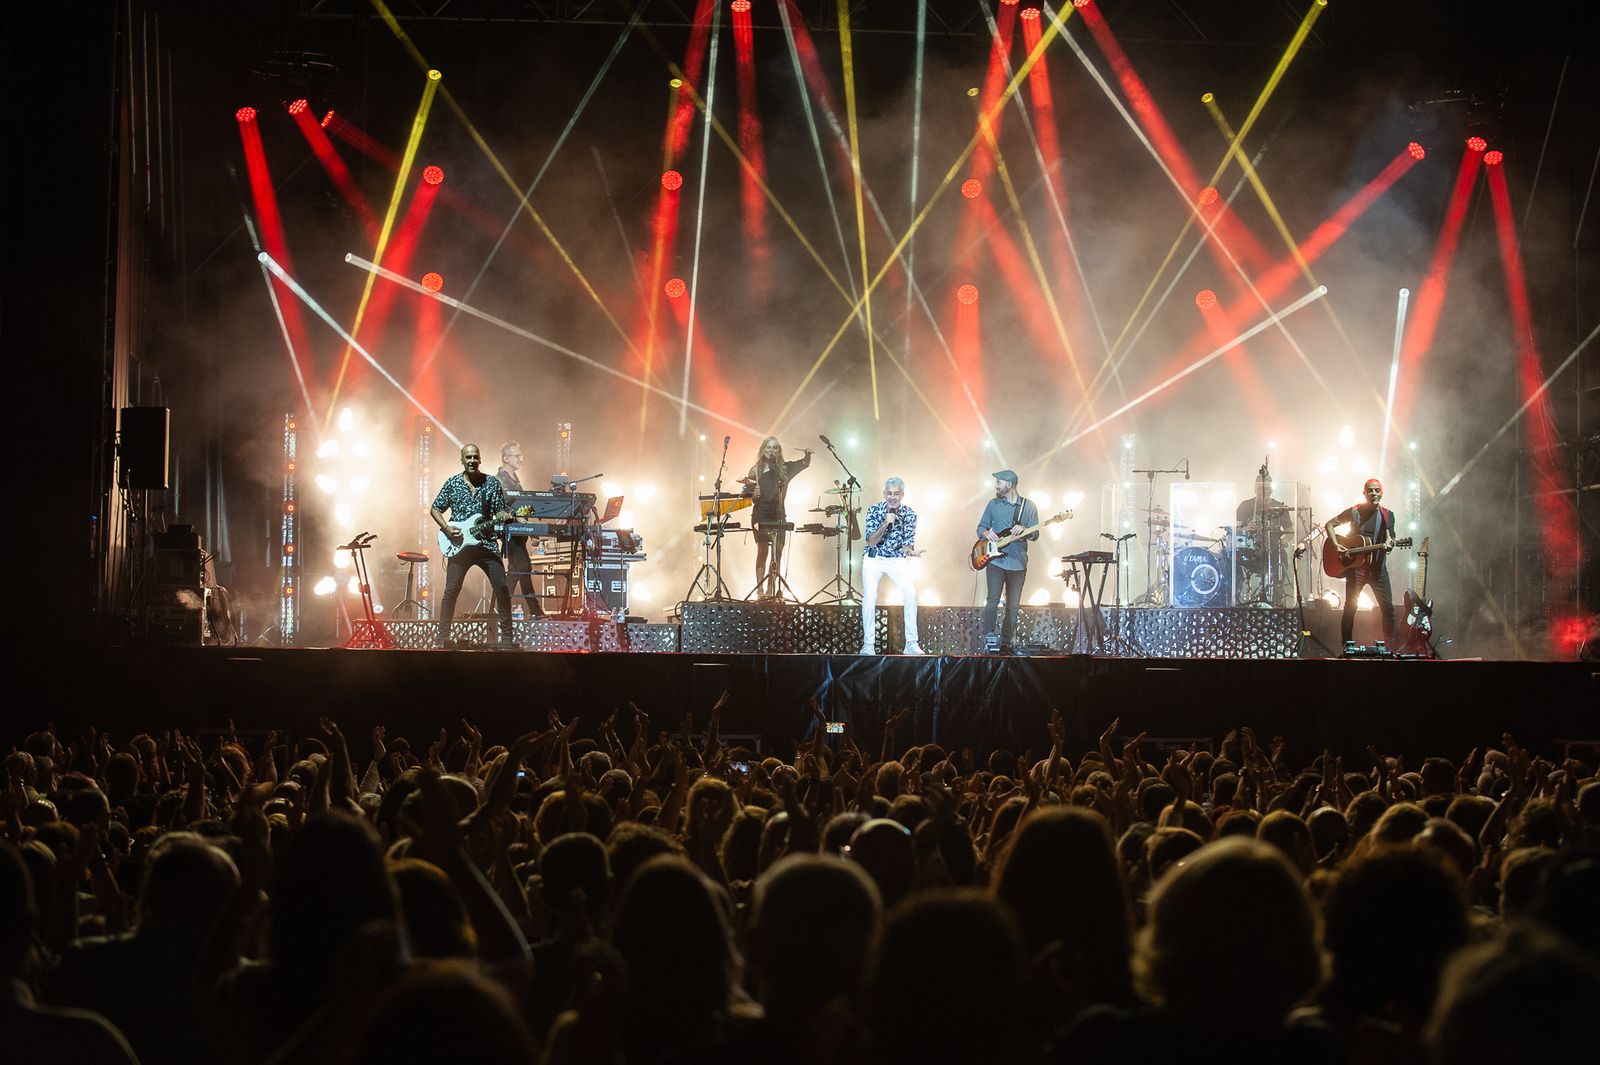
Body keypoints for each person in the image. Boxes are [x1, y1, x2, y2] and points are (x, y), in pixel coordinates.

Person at [430, 443, 515, 649]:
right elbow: (435, 508)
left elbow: (499, 512)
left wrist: (504, 516)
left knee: (502, 588)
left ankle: (507, 639)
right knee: (451, 591)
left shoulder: (492, 483)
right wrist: (447, 528)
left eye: (475, 457)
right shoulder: (452, 483)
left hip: (486, 543)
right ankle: (442, 638)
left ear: (480, 459)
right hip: (459, 546)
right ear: (462, 460)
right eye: (468, 457)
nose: (472, 461)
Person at [1323, 478, 1396, 646]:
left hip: (1378, 570)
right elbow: (1329, 525)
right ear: (1364, 493)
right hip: (1356, 570)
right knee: (1350, 609)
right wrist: (1336, 545)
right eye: (1370, 490)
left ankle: (1391, 647)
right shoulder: (1354, 512)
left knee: (1388, 609)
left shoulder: (1387, 515)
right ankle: (1346, 648)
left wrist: (1389, 545)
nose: (1374, 493)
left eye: (1377, 490)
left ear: (1382, 493)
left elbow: (1390, 538)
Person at [975, 469, 1039, 654]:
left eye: (999, 482)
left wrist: (1026, 528)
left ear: (1009, 485)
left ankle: (1006, 642)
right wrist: (986, 533)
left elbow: (1036, 534)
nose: (996, 486)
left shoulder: (1029, 506)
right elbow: (981, 527)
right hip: (995, 561)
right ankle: (989, 637)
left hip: (1018, 562)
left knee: (1013, 605)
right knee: (992, 600)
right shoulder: (993, 504)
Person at [741, 436, 812, 599]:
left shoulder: (785, 469)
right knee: (763, 551)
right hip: (761, 512)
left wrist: (808, 455)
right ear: (763, 449)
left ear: (778, 451)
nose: (771, 450)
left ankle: (770, 590)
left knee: (777, 554)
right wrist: (753, 493)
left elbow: (804, 464)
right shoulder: (755, 470)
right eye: (768, 447)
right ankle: (759, 591)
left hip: (779, 512)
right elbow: (747, 495)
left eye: (775, 448)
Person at [860, 477, 924, 655]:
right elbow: (871, 541)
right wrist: (886, 523)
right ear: (884, 494)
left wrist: (911, 552)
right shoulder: (874, 510)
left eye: (896, 493)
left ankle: (911, 643)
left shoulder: (910, 514)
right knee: (869, 597)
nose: (892, 497)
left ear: (902, 495)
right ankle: (868, 645)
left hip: (896, 559)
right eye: (889, 493)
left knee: (910, 594)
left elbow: (906, 544)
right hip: (874, 558)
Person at [494, 440, 544, 619]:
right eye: (517, 456)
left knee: (517, 570)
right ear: (506, 458)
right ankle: (535, 610)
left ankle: (503, 608)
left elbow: (522, 506)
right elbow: (508, 507)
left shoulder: (515, 479)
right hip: (510, 530)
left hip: (520, 531)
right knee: (523, 566)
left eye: (521, 455)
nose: (521, 459)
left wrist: (535, 518)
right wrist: (526, 523)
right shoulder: (500, 479)